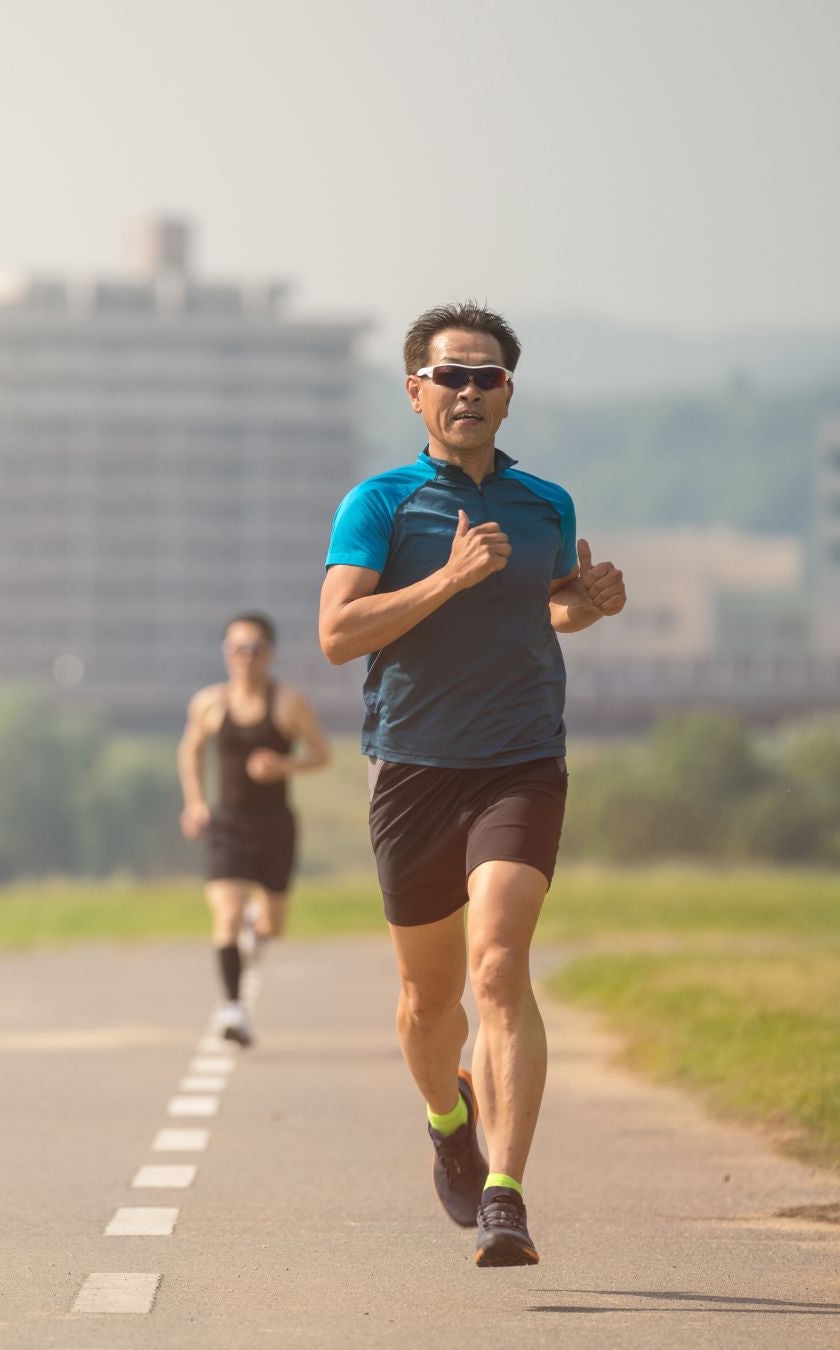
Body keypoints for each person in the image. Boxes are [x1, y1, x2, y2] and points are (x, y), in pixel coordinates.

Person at [316, 303, 627, 1267]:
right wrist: (445, 580)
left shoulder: (546, 504)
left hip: (522, 759)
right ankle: (448, 1116)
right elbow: (337, 636)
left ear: (507, 392)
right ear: (415, 391)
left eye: (485, 376)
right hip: (413, 766)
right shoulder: (380, 504)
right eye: (449, 376)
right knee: (427, 1000)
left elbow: (546, 609)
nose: (467, 392)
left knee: (499, 969)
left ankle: (505, 1192)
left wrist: (585, 603)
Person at [175, 612, 331, 1048]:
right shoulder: (208, 704)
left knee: (273, 926)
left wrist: (284, 765)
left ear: (270, 653)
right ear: (226, 653)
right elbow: (189, 751)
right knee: (224, 916)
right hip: (227, 825)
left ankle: (255, 930)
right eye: (237, 649)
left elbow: (322, 754)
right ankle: (233, 1009)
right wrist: (195, 802)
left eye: (255, 648)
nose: (246, 657)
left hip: (275, 826)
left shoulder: (289, 703)